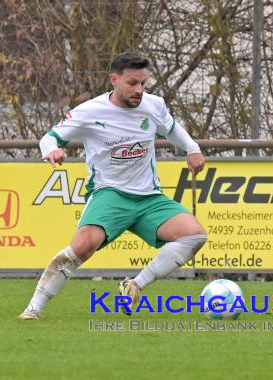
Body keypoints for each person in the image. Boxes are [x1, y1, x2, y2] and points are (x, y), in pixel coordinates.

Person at [19, 52, 207, 320]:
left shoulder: (154, 105)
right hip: (110, 194)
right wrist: (52, 150)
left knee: (195, 235)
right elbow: (50, 137)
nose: (139, 90)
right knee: (83, 247)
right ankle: (33, 308)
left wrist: (192, 149)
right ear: (114, 80)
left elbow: (172, 128)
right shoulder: (90, 111)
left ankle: (134, 286)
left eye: (143, 83)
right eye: (132, 83)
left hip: (148, 197)